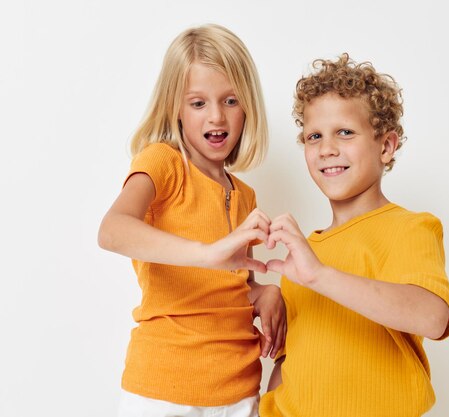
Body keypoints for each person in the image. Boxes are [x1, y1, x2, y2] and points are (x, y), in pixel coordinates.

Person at [98, 24, 285, 417]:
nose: (217, 116)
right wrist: (209, 252)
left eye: (231, 100)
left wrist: (261, 292)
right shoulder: (164, 163)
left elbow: (229, 282)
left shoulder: (246, 195)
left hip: (239, 391)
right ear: (175, 108)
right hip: (163, 390)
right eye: (198, 103)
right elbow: (112, 230)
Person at [259, 54, 449, 417]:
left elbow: (433, 317)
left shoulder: (409, 228)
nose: (327, 148)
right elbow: (290, 362)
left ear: (386, 146)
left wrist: (319, 275)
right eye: (313, 136)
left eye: (345, 132)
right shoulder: (304, 254)